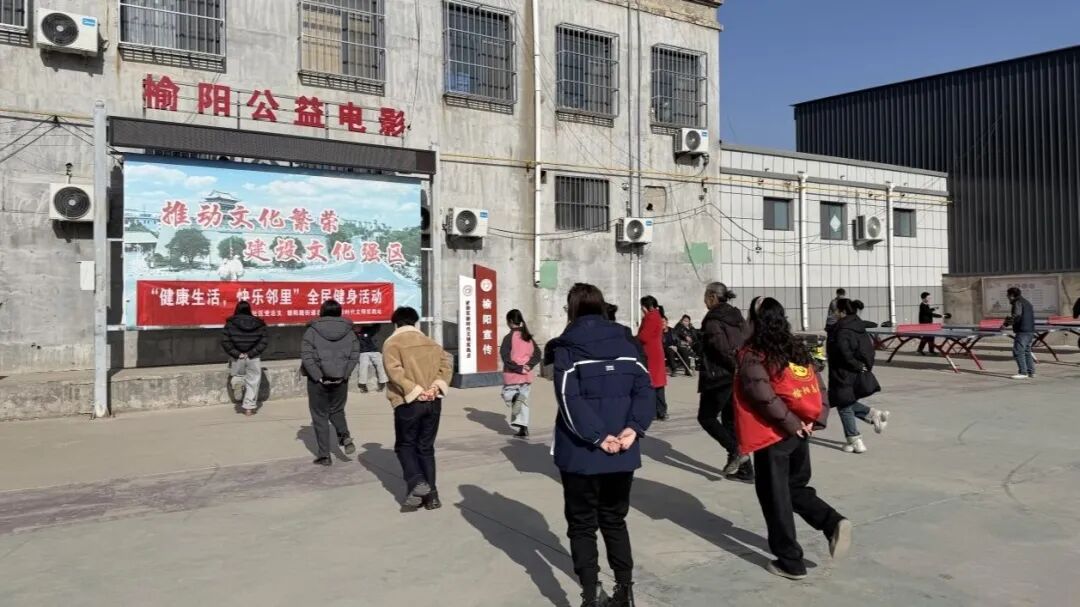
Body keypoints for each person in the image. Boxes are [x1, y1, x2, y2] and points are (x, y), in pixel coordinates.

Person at [549, 283, 654, 607]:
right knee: (614, 520)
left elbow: (567, 397)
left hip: (581, 453)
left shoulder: (567, 346)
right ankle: (625, 590)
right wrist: (634, 428)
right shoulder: (628, 342)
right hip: (622, 451)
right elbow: (644, 388)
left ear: (572, 309)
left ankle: (591, 593)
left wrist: (596, 436)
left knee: (582, 525)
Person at [735, 296, 852, 580]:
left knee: (774, 496)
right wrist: (813, 419)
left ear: (755, 320)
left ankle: (790, 561)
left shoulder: (754, 353)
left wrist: (790, 422)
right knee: (795, 487)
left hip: (773, 433)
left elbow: (762, 394)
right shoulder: (796, 347)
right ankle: (832, 522)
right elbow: (816, 386)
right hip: (801, 431)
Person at [383, 306, 453, 511]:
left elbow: (394, 372)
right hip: (433, 401)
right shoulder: (431, 342)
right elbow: (446, 366)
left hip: (408, 402)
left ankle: (416, 481)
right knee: (426, 448)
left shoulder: (392, 343)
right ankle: (432, 497)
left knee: (405, 446)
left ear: (395, 323)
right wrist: (435, 388)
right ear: (415, 322)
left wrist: (415, 390)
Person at [697, 282, 753, 480]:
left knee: (706, 418)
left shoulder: (713, 320)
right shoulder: (736, 316)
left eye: (706, 296)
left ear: (713, 297)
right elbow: (746, 341)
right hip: (736, 376)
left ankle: (736, 450)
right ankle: (745, 470)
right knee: (730, 421)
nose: (704, 300)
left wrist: (733, 365)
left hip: (718, 376)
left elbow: (721, 349)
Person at [301, 299, 361, 466]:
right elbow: (355, 354)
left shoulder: (312, 330)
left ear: (322, 311)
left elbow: (306, 355)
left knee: (319, 416)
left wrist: (317, 375)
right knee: (337, 410)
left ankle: (324, 456)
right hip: (341, 379)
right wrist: (345, 374)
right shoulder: (350, 332)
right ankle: (344, 435)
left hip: (317, 381)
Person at [826, 298, 890, 453]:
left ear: (842, 311)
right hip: (853, 372)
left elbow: (844, 353)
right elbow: (869, 350)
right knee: (845, 401)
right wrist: (864, 366)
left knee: (843, 404)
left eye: (835, 311)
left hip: (843, 372)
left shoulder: (842, 329)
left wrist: (857, 365)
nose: (833, 313)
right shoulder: (858, 325)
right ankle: (873, 415)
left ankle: (855, 440)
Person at [221, 301, 268, 416]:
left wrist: (237, 353)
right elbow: (263, 341)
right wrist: (251, 353)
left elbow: (225, 341)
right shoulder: (259, 323)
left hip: (237, 357)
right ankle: (248, 408)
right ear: (249, 309)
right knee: (253, 381)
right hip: (253, 357)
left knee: (237, 375)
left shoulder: (230, 324)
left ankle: (238, 383)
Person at [500, 309, 541, 438]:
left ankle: (515, 398)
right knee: (523, 402)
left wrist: (518, 368)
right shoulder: (528, 337)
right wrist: (529, 366)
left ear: (510, 321)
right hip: (527, 375)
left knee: (506, 394)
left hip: (513, 375)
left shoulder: (508, 338)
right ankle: (523, 428)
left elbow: (505, 357)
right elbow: (538, 354)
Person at [637, 296, 669, 421]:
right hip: (655, 352)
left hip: (650, 353)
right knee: (657, 384)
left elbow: (644, 336)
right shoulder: (656, 315)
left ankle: (657, 411)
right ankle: (660, 411)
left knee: (653, 383)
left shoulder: (650, 317)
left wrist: (635, 338)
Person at [1005, 287, 1036, 380]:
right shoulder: (1026, 302)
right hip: (1030, 330)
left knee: (1018, 351)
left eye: (1007, 295)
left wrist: (1007, 323)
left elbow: (1017, 315)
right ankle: (1031, 372)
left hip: (1022, 330)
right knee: (1026, 351)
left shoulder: (1017, 302)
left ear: (1011, 295)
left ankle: (1023, 372)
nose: (1007, 297)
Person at [354, 324, 388, 393]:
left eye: (358, 326)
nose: (356, 328)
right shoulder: (353, 334)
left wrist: (377, 321)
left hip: (374, 350)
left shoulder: (367, 330)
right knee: (363, 366)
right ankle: (363, 384)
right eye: (355, 327)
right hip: (363, 352)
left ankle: (383, 382)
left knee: (380, 364)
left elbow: (376, 328)